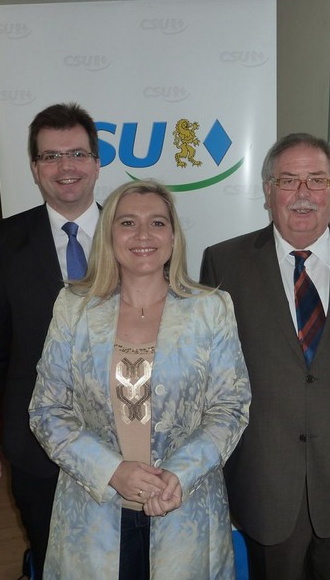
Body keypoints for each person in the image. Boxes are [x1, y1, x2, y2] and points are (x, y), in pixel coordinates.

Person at [200, 133, 330, 580]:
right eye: (289, 181)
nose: (304, 194)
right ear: (268, 191)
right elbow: (212, 379)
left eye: (317, 180)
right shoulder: (224, 264)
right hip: (264, 479)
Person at [29, 180, 251, 579]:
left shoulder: (211, 309)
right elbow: (47, 410)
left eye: (158, 223)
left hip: (184, 507)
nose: (144, 235)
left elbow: (230, 409)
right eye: (128, 222)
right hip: (93, 511)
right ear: (109, 235)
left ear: (173, 236)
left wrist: (178, 474)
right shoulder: (74, 308)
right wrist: (112, 471)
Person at [0, 102, 101, 578]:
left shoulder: (137, 233)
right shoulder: (5, 240)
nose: (67, 167)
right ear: (35, 169)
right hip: (35, 441)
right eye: (51, 157)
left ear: (97, 163)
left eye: (78, 153)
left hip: (125, 440)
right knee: (52, 555)